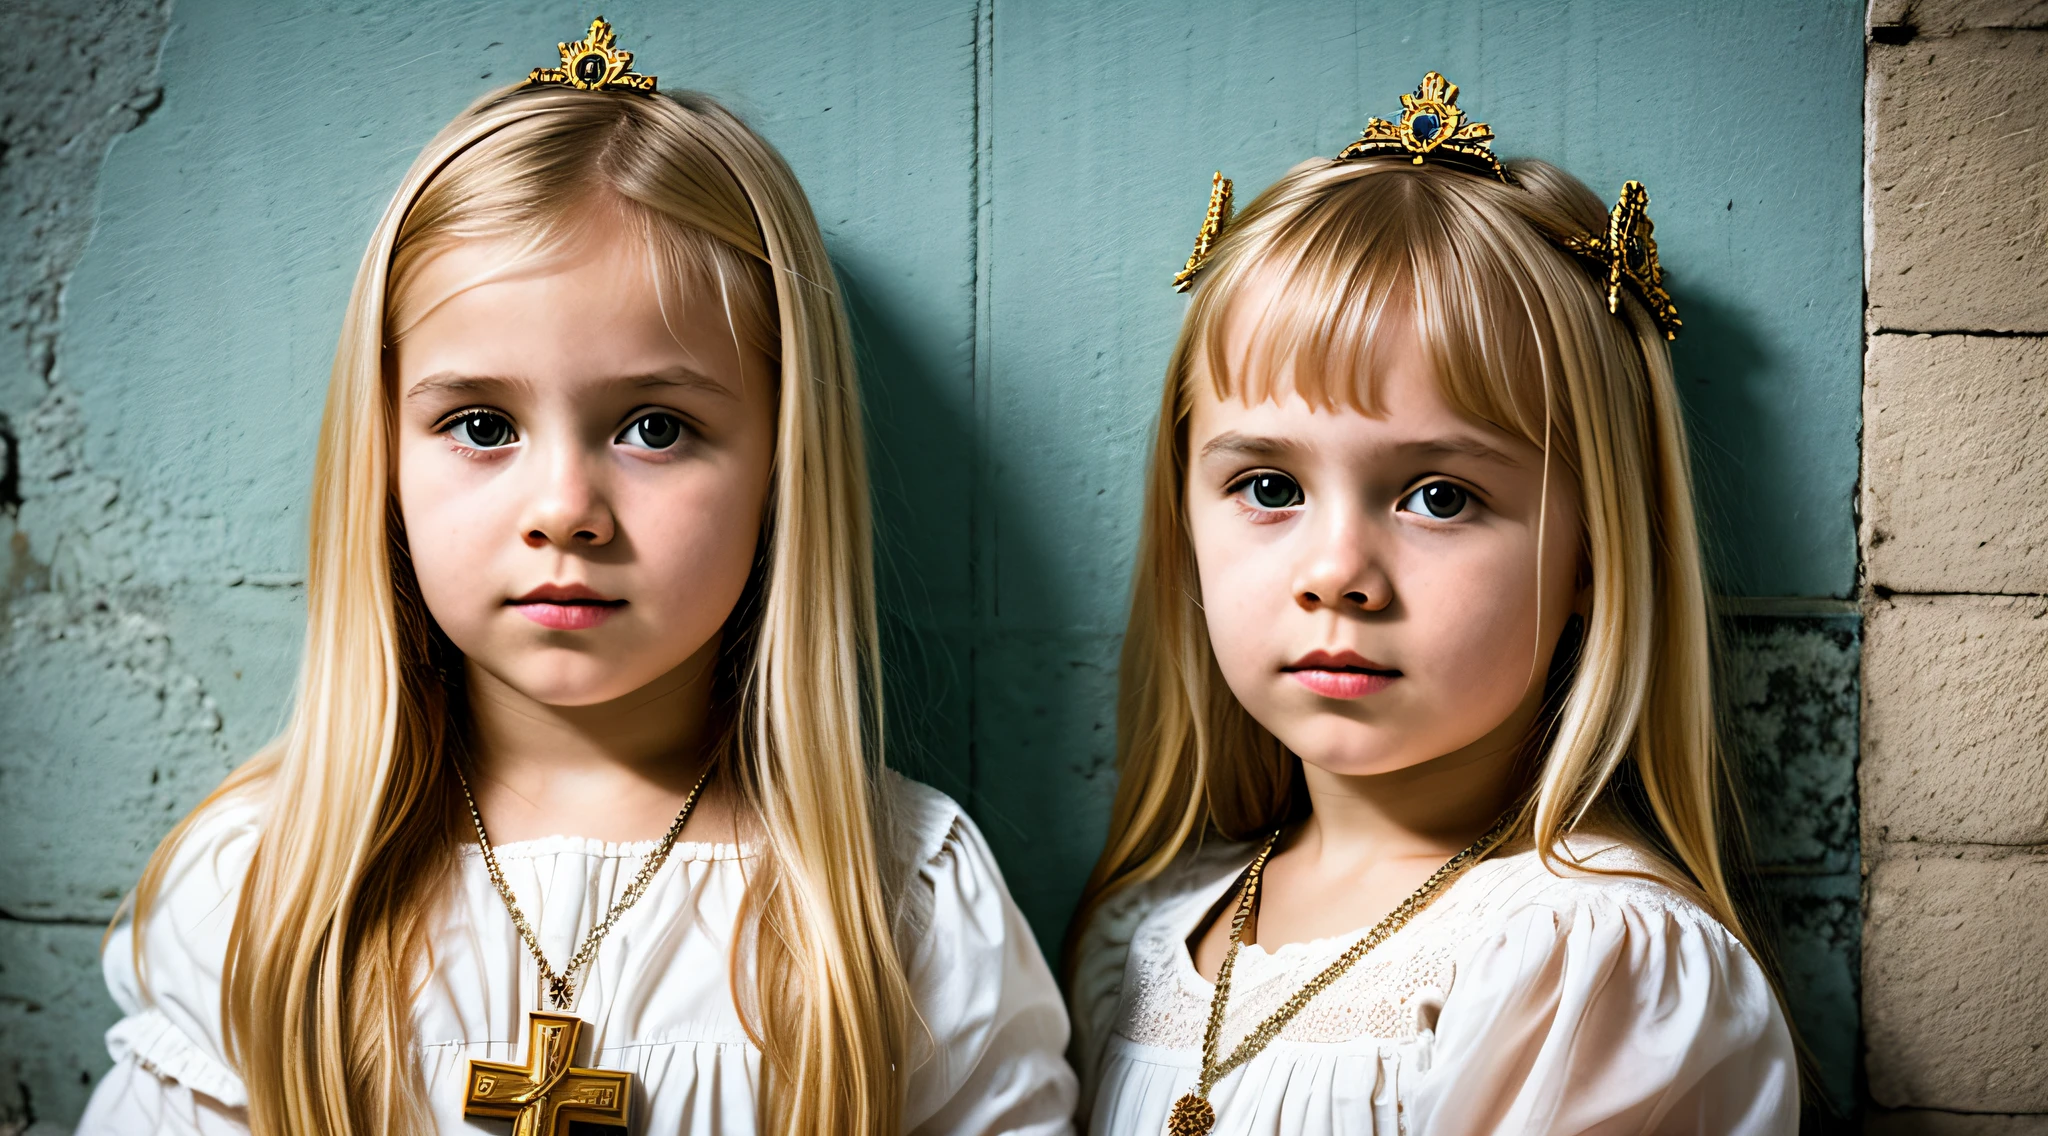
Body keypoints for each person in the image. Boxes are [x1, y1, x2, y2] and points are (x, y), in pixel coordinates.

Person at [77, 19, 1075, 1135]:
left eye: (654, 426)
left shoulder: (904, 900)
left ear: (782, 465)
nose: (563, 509)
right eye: (481, 422)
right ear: (384, 461)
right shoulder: (257, 885)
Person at [1068, 73, 1796, 1135]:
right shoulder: (1142, 938)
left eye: (1438, 496)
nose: (1337, 572)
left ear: (1595, 548)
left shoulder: (1589, 957)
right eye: (1267, 486)